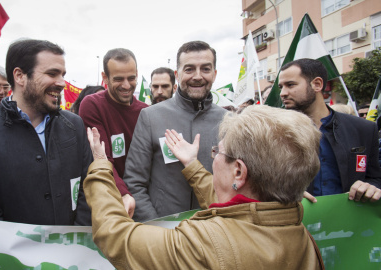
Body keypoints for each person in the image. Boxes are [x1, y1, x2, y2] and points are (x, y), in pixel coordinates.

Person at [83, 105, 324, 269]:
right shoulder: (300, 232)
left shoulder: (203, 244)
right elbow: (238, 209)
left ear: (238, 171)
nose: (215, 157)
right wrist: (192, 164)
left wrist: (102, 166)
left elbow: (114, 235)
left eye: (218, 151)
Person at [0, 39, 92, 225]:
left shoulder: (74, 125)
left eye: (62, 75)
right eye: (52, 74)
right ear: (20, 76)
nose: (61, 83)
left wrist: (72, 242)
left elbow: (88, 189)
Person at [124, 41, 227, 221]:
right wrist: (158, 228)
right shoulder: (150, 117)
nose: (197, 76)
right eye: (189, 69)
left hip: (213, 235)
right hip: (163, 237)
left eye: (205, 69)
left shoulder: (230, 121)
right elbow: (134, 182)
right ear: (177, 74)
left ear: (215, 73)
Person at [279, 58, 381, 202]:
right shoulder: (274, 131)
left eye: (290, 85)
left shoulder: (364, 129)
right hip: (296, 220)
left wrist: (370, 187)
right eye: (281, 87)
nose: (283, 93)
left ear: (317, 84)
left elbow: (375, 178)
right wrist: (282, 194)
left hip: (350, 220)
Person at [79, 48, 148, 217]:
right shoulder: (92, 105)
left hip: (144, 201)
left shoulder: (147, 112)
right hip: (111, 200)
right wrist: (123, 193)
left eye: (131, 78)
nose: (126, 85)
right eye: (118, 79)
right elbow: (102, 158)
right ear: (105, 78)